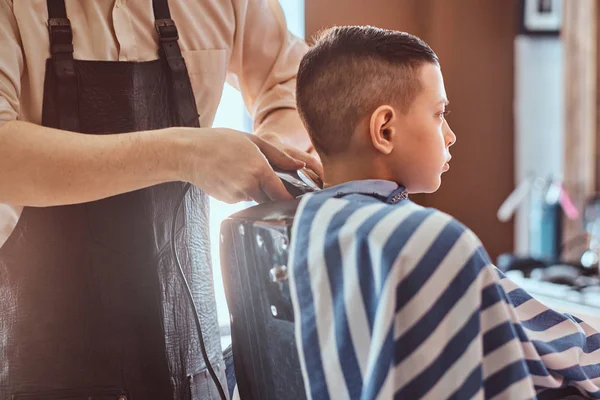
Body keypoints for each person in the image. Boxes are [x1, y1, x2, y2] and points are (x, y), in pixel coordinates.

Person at [0, 1, 321, 399]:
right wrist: (184, 154)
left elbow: (289, 78)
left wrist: (271, 152)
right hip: (39, 359)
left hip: (189, 351)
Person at [289, 26, 600, 400]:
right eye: (439, 114)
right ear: (384, 130)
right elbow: (555, 348)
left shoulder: (319, 224)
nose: (450, 135)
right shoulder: (426, 241)